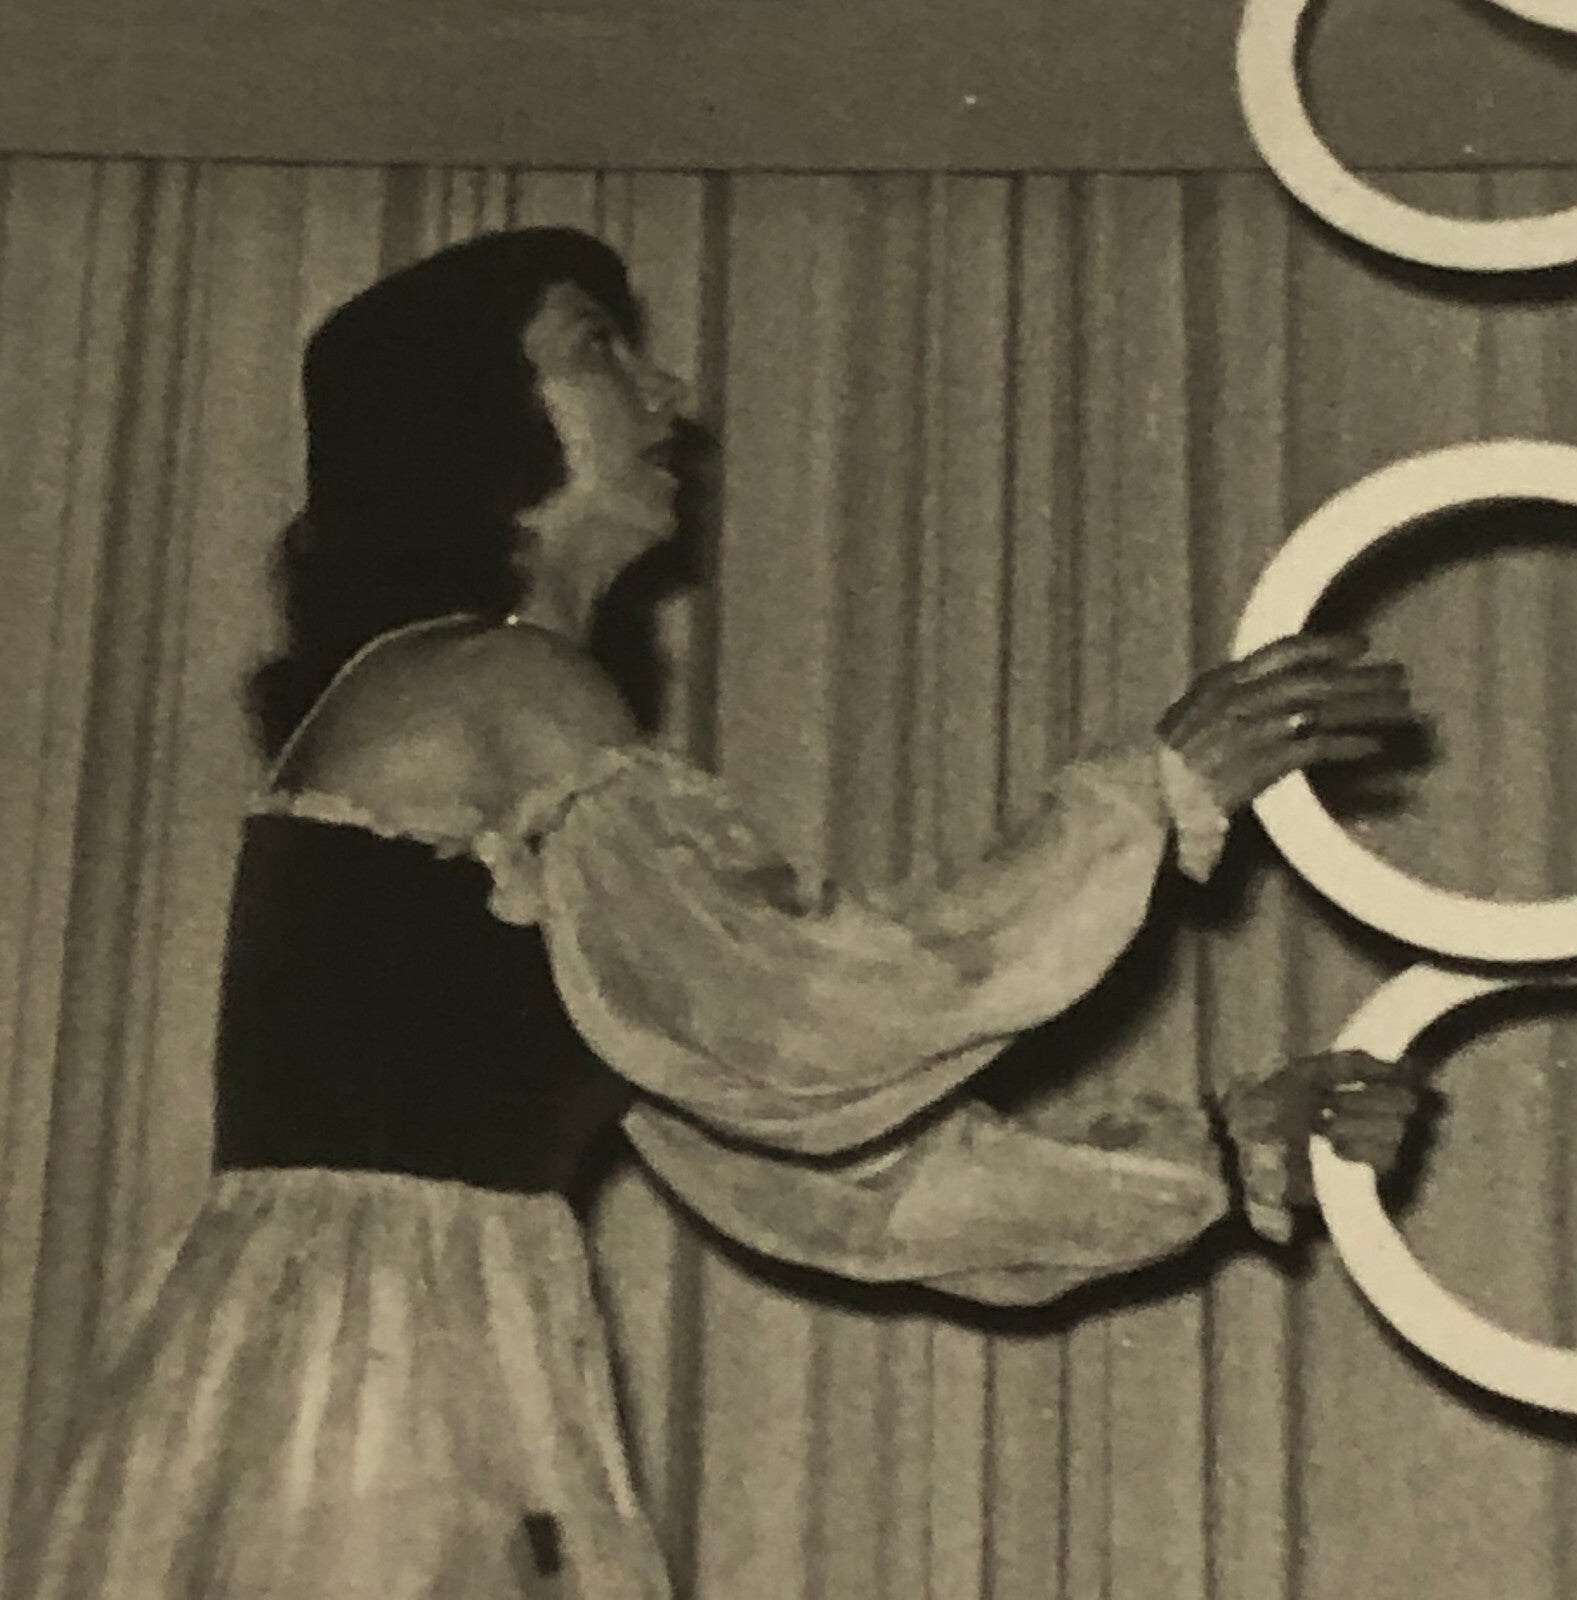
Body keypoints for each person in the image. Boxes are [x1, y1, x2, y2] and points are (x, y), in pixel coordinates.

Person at [14, 227, 1429, 1600]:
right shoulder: (499, 688)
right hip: (373, 1400)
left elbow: (821, 1171)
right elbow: (809, 1008)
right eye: (597, 349)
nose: (672, 394)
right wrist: (1150, 796)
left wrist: (1217, 1154)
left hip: (384, 1371)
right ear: (472, 415)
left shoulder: (502, 710)